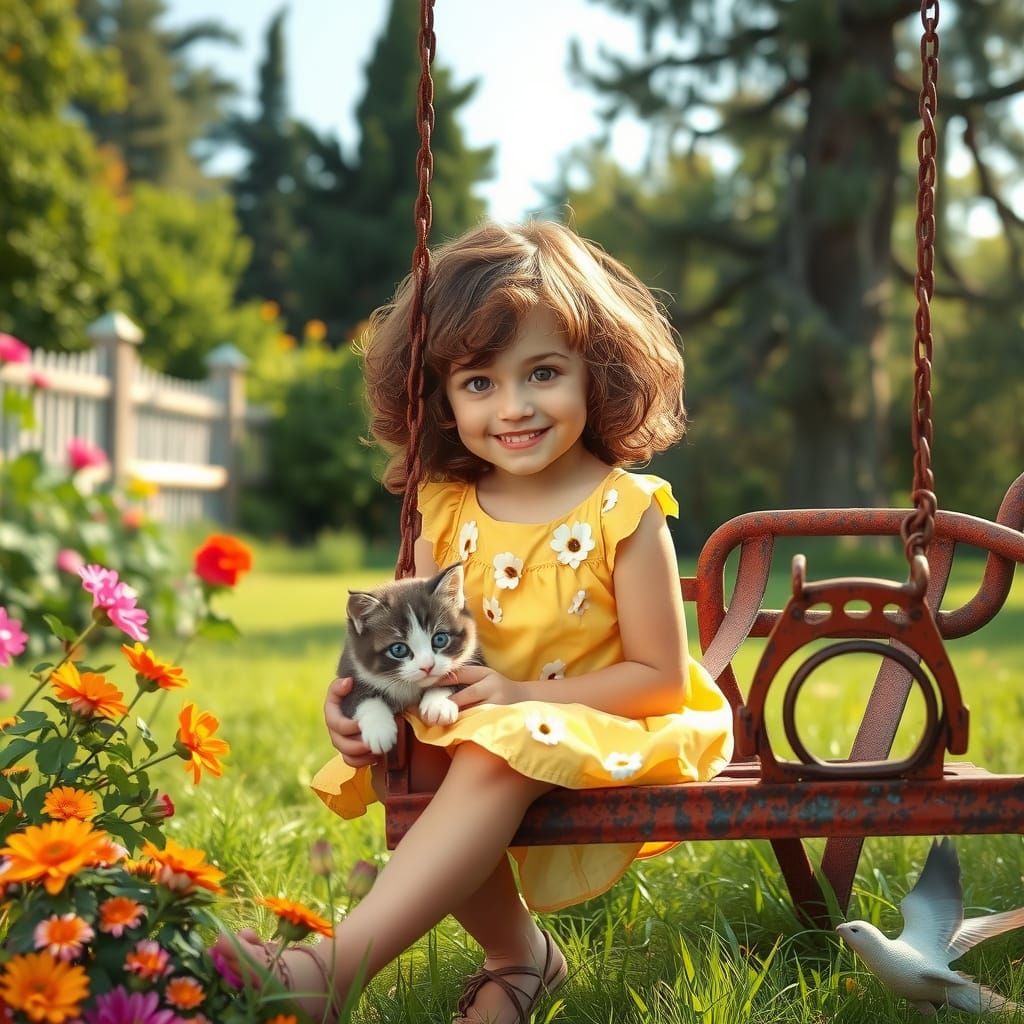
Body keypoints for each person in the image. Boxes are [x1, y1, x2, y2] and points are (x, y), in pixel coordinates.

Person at [212, 220, 734, 1022]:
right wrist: (355, 696)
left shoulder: (625, 513)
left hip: (610, 721)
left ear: (597, 373)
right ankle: (520, 959)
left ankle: (330, 971)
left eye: (544, 372)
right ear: (440, 397)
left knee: (490, 738)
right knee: (431, 741)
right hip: (490, 723)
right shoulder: (446, 509)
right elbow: (401, 639)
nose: (515, 406)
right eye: (479, 383)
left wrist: (520, 693)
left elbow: (662, 683)